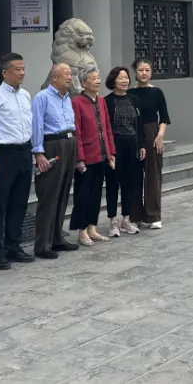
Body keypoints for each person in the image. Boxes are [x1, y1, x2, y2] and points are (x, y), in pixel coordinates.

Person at [0, 52, 35, 270]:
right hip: (4, 153)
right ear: (5, 72)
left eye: (23, 69)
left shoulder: (25, 95)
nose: (22, 73)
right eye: (17, 69)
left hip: (24, 151)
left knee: (19, 202)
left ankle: (13, 246)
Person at [31, 63, 79, 258]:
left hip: (69, 143)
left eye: (70, 74)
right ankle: (42, 244)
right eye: (65, 74)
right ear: (54, 78)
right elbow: (36, 125)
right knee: (49, 194)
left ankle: (57, 238)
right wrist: (38, 152)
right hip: (52, 145)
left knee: (63, 193)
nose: (69, 77)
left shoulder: (67, 98)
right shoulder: (42, 97)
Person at [70, 68, 116, 245]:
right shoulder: (77, 102)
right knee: (83, 194)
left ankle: (92, 228)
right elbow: (77, 132)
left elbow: (107, 128)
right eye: (93, 78)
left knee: (96, 194)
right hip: (86, 157)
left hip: (101, 155)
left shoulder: (101, 101)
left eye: (98, 78)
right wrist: (79, 158)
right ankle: (82, 231)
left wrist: (110, 153)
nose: (97, 81)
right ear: (84, 83)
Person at [103, 66, 145, 236]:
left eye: (126, 77)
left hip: (132, 147)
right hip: (115, 148)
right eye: (121, 78)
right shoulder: (107, 101)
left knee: (129, 184)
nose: (124, 80)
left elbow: (139, 124)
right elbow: (105, 127)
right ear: (113, 81)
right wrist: (108, 151)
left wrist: (141, 145)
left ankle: (126, 219)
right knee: (113, 184)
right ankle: (113, 221)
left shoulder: (134, 99)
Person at [129, 58, 170, 229]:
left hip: (152, 133)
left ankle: (153, 216)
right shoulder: (130, 93)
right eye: (141, 70)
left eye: (147, 70)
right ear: (135, 72)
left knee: (153, 175)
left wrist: (160, 135)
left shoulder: (157, 92)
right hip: (133, 134)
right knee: (134, 175)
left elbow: (164, 117)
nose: (144, 73)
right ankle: (135, 216)